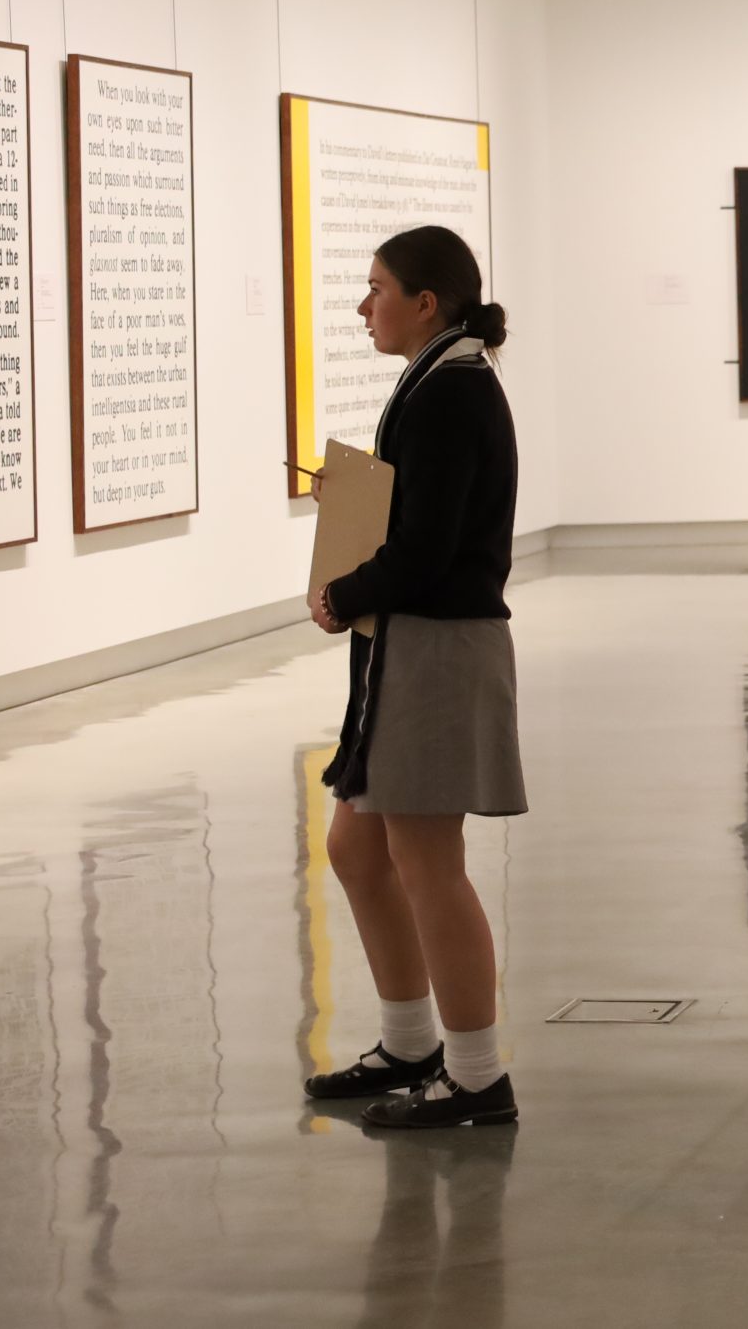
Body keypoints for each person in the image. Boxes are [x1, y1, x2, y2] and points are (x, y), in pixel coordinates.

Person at [302, 225, 525, 1129]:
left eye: (376, 287)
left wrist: (342, 589)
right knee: (358, 849)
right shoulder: (440, 380)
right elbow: (421, 516)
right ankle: (408, 1043)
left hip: (437, 647)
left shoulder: (452, 393)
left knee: (429, 865)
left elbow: (429, 549)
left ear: (425, 302)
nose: (364, 306)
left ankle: (477, 1078)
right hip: (409, 645)